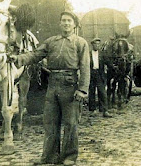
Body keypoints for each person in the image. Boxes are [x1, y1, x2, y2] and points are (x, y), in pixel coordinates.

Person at [9, 11, 90, 165]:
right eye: (63, 21)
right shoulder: (51, 42)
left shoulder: (80, 43)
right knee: (50, 122)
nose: (66, 23)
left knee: (70, 123)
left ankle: (69, 156)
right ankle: (50, 156)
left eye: (69, 21)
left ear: (74, 24)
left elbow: (85, 67)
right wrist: (18, 58)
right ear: (59, 24)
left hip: (70, 85)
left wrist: (83, 89)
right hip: (52, 85)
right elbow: (35, 55)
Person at [89, 38, 112, 118]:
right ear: (92, 45)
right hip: (91, 75)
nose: (97, 46)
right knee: (91, 92)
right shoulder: (88, 54)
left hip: (100, 74)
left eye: (98, 44)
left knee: (102, 92)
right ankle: (93, 110)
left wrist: (114, 67)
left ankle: (105, 111)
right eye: (95, 44)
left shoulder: (102, 54)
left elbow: (108, 63)